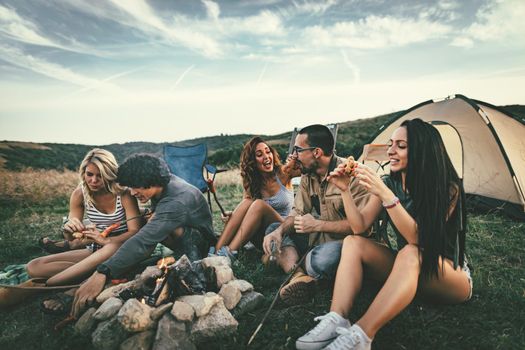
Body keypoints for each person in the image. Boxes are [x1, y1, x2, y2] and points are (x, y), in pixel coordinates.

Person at [296, 119, 472, 350]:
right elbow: (359, 227)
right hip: (408, 270)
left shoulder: (447, 188)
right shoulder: (390, 183)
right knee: (354, 242)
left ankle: (361, 336)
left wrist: (387, 196)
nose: (391, 151)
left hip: (450, 276)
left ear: (421, 150)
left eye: (401, 145)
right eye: (391, 144)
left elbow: (419, 241)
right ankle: (336, 317)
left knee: (410, 251)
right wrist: (345, 190)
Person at [71, 153, 216, 318]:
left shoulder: (176, 201)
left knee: (149, 235)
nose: (132, 193)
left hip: (200, 242)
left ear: (151, 181)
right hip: (181, 230)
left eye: (135, 187)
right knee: (152, 224)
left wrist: (103, 271)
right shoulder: (163, 182)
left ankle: (192, 267)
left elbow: (143, 240)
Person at [0, 148, 143, 311]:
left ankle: (46, 285)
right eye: (90, 174)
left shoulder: (123, 193)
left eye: (100, 176)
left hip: (122, 246)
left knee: (107, 250)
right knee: (34, 266)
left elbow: (135, 231)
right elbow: (71, 239)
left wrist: (108, 240)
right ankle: (91, 275)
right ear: (84, 173)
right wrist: (68, 228)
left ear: (110, 174)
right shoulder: (80, 194)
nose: (94, 180)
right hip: (97, 249)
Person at [262, 124, 369, 305]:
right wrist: (279, 232)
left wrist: (318, 225)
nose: (294, 155)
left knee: (323, 259)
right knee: (274, 228)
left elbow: (361, 227)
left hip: (346, 245)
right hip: (317, 240)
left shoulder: (352, 175)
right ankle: (300, 276)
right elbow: (297, 212)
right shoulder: (308, 175)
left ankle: (289, 261)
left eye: (298, 150)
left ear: (317, 152)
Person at [211, 136, 296, 259]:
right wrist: (232, 214)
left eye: (268, 151)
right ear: (253, 161)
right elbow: (246, 209)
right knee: (247, 202)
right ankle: (215, 253)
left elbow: (306, 169)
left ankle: (228, 253)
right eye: (260, 154)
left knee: (258, 204)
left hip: (282, 231)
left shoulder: (283, 172)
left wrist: (295, 159)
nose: (266, 156)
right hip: (261, 238)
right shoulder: (253, 183)